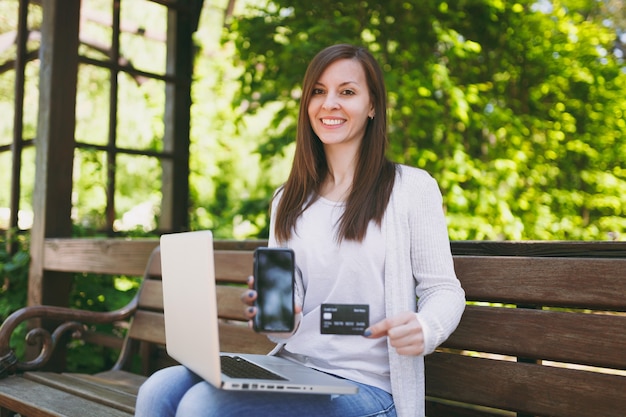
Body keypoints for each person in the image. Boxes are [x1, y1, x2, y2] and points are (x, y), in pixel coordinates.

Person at [135, 43, 465, 417]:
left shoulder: (410, 189)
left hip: (369, 389)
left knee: (202, 407)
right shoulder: (288, 199)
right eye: (319, 92)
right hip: (294, 369)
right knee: (157, 389)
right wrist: (280, 316)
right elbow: (284, 323)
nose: (330, 104)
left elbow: (443, 290)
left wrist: (426, 326)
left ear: (372, 106)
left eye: (348, 92)